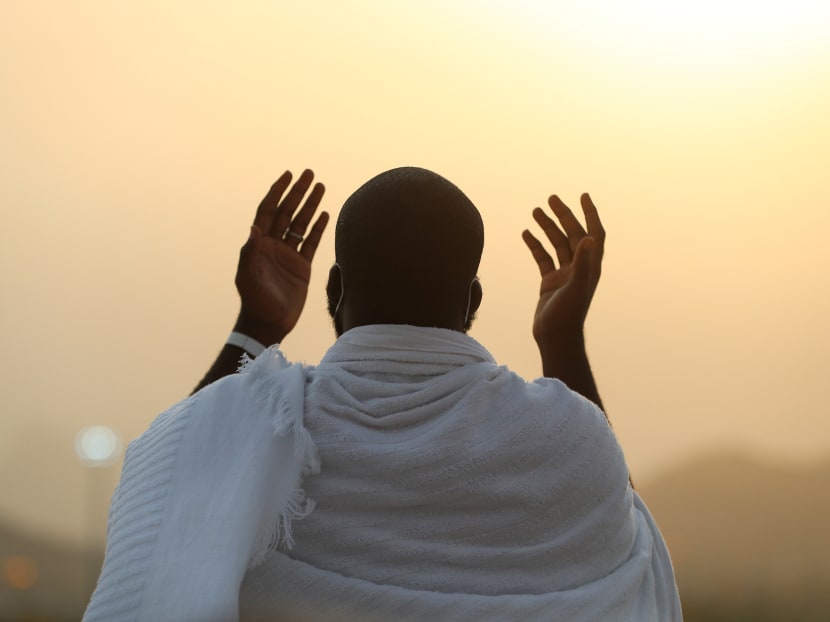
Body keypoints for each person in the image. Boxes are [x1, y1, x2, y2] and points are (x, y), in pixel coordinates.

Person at [83, 168, 682, 621]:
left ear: (334, 287)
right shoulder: (568, 436)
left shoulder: (255, 428)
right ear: (473, 303)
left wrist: (256, 329)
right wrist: (562, 340)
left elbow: (171, 502)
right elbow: (629, 545)